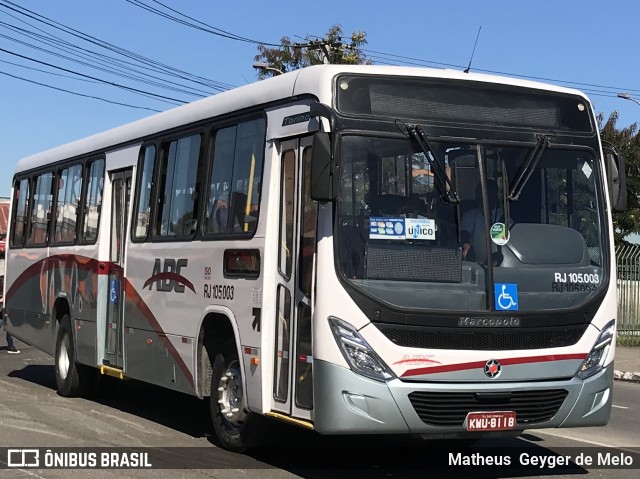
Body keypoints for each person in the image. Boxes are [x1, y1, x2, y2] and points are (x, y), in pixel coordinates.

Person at [460, 179, 510, 265]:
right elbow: (465, 233)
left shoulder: (505, 218)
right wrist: (466, 247)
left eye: (490, 194)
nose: (487, 197)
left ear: (496, 196)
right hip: (476, 262)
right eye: (483, 194)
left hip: (503, 263)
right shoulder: (470, 215)